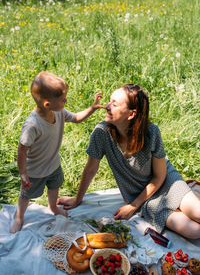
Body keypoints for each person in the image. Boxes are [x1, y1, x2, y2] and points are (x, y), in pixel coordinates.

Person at [57, 84, 200, 239]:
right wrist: (78, 199)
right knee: (194, 231)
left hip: (167, 183)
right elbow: (90, 169)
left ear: (131, 114)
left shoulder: (151, 133)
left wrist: (133, 206)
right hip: (139, 195)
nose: (106, 106)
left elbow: (160, 176)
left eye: (114, 104)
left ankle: (180, 203)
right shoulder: (101, 133)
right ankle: (176, 207)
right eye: (109, 101)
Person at [10, 71, 104, 233]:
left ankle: (52, 207)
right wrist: (23, 173)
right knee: (26, 195)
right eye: (62, 99)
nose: (66, 101)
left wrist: (92, 108)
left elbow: (76, 118)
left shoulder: (59, 112)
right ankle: (19, 217)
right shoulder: (32, 125)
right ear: (47, 104)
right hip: (35, 171)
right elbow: (22, 150)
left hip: (53, 165)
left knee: (54, 187)